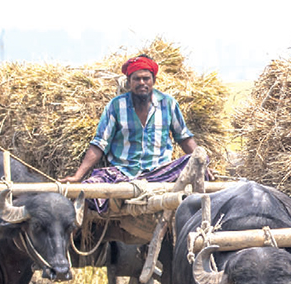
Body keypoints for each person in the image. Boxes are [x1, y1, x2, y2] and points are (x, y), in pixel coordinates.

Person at [60, 55, 201, 198]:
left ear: (154, 80)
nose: (142, 83)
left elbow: (183, 138)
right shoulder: (116, 106)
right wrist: (78, 176)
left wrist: (202, 166)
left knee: (195, 161)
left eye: (146, 78)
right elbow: (100, 144)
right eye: (136, 79)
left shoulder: (168, 104)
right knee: (89, 188)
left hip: (161, 173)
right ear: (129, 82)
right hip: (123, 174)